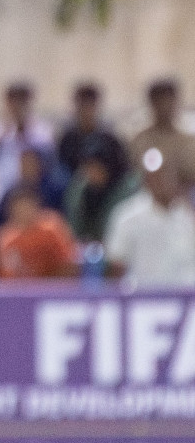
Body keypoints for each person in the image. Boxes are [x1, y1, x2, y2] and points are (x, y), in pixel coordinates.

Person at [104, 151, 195, 287]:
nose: (162, 181)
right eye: (155, 176)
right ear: (146, 179)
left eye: (166, 175)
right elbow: (116, 264)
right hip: (143, 300)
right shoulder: (128, 215)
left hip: (185, 299)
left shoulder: (186, 214)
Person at [0, 185, 78, 279]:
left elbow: (68, 264)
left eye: (27, 206)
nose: (24, 212)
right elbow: (6, 277)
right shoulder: (5, 239)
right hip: (20, 292)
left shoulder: (52, 229)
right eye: (20, 208)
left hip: (54, 289)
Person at [0, 82, 55, 198]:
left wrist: (22, 128)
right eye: (12, 102)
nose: (16, 106)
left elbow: (46, 162)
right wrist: (4, 133)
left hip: (31, 195)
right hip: (3, 193)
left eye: (21, 101)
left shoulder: (42, 131)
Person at [62, 146, 138, 245]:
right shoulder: (79, 190)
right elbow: (73, 228)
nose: (92, 173)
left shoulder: (127, 191)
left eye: (97, 167)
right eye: (88, 167)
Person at [129, 79, 195, 188]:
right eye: (160, 101)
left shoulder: (189, 141)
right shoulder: (140, 141)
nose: (165, 106)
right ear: (152, 104)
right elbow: (137, 174)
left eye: (170, 100)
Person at [57, 82, 126, 178]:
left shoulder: (109, 139)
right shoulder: (67, 140)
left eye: (90, 105)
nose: (86, 111)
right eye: (82, 105)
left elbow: (122, 169)